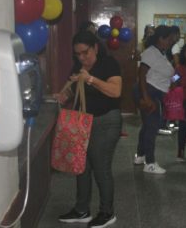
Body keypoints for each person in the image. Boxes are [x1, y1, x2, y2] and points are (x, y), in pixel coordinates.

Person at [55, 31, 122, 228]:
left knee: (101, 168)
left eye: (86, 52)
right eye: (78, 54)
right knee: (81, 167)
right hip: (83, 124)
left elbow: (115, 91)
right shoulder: (78, 66)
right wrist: (63, 94)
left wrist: (91, 79)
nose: (82, 57)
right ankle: (82, 209)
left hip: (106, 122)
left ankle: (107, 213)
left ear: (96, 48)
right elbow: (71, 90)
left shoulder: (109, 63)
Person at [133, 25, 175, 174]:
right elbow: (142, 74)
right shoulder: (151, 52)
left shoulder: (162, 53)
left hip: (154, 93)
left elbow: (170, 76)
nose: (171, 41)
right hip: (148, 92)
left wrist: (178, 78)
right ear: (161, 39)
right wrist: (146, 98)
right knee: (152, 127)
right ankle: (149, 163)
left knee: (147, 126)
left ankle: (140, 155)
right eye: (169, 39)